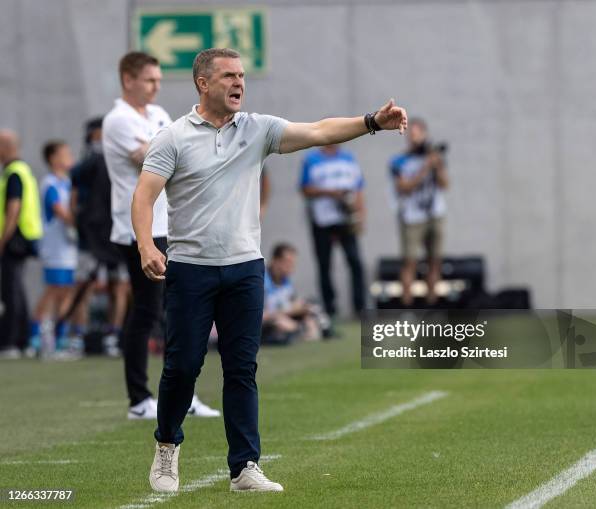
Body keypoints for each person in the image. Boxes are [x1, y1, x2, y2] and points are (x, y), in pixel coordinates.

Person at [132, 47, 406, 493]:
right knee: (182, 367)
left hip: (244, 270)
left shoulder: (258, 129)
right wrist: (147, 244)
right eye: (228, 76)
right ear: (203, 83)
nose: (239, 83)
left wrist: (371, 122)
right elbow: (144, 197)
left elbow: (318, 130)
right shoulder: (173, 137)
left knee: (242, 369)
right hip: (191, 270)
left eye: (241, 75)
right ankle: (167, 445)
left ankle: (245, 467)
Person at [103, 52, 219, 419]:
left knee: (177, 312)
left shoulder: (156, 116)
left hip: (168, 226)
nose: (156, 87)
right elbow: (154, 157)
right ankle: (139, 399)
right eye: (149, 80)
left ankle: (182, 396)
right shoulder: (117, 119)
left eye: (158, 80)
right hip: (137, 229)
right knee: (148, 312)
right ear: (128, 80)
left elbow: (178, 148)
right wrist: (171, 146)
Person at [71, 117, 131, 356]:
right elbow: (74, 191)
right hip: (91, 237)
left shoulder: (121, 158)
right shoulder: (87, 163)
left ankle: (112, 336)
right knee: (84, 286)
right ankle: (77, 337)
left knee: (119, 286)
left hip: (118, 233)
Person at [300, 143, 366, 320]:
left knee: (355, 262)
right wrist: (331, 193)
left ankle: (359, 306)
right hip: (322, 220)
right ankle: (330, 309)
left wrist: (360, 216)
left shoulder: (349, 158)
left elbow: (359, 188)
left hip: (346, 219)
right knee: (325, 265)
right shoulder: (311, 159)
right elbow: (305, 188)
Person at [389, 118, 449, 306]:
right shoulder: (400, 160)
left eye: (418, 134)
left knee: (435, 261)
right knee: (410, 263)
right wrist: (425, 168)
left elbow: (444, 184)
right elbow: (403, 187)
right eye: (411, 135)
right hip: (412, 217)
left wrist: (436, 164)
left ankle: (432, 306)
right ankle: (407, 307)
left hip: (435, 215)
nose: (415, 138)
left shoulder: (434, 157)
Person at [29, 141, 79, 357]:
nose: (69, 157)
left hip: (69, 247)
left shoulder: (68, 182)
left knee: (67, 290)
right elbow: (62, 212)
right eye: (65, 154)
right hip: (55, 248)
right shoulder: (50, 184)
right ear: (53, 158)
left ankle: (59, 338)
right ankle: (35, 337)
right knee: (53, 289)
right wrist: (83, 223)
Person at [0, 129, 42, 358]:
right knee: (17, 290)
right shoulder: (23, 170)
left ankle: (10, 342)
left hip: (15, 238)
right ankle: (23, 339)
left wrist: (3, 239)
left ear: (6, 147)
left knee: (11, 290)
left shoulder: (13, 172)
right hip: (26, 237)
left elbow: (13, 209)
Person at [262, 243, 326, 345]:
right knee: (281, 325)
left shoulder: (285, 280)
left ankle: (321, 330)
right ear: (274, 261)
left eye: (293, 264)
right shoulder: (261, 280)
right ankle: (299, 332)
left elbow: (292, 302)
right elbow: (259, 315)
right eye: (287, 263)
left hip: (283, 317)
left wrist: (303, 309)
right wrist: (287, 313)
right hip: (267, 323)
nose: (291, 268)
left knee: (312, 304)